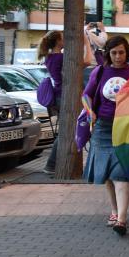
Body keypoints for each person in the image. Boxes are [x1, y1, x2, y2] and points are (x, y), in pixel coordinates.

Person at [83, 36, 129, 236]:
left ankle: (122, 219)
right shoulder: (100, 71)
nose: (118, 56)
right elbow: (86, 95)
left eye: (122, 52)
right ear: (108, 53)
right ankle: (114, 210)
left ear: (127, 53)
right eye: (114, 52)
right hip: (102, 128)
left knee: (121, 173)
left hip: (126, 128)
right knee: (107, 174)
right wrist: (89, 110)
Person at [39, 30, 92, 175]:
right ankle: (50, 165)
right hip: (63, 96)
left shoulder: (50, 57)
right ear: (57, 41)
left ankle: (51, 165)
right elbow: (87, 61)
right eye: (63, 38)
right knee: (67, 131)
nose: (66, 40)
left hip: (59, 96)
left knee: (68, 129)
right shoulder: (60, 57)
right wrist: (87, 43)